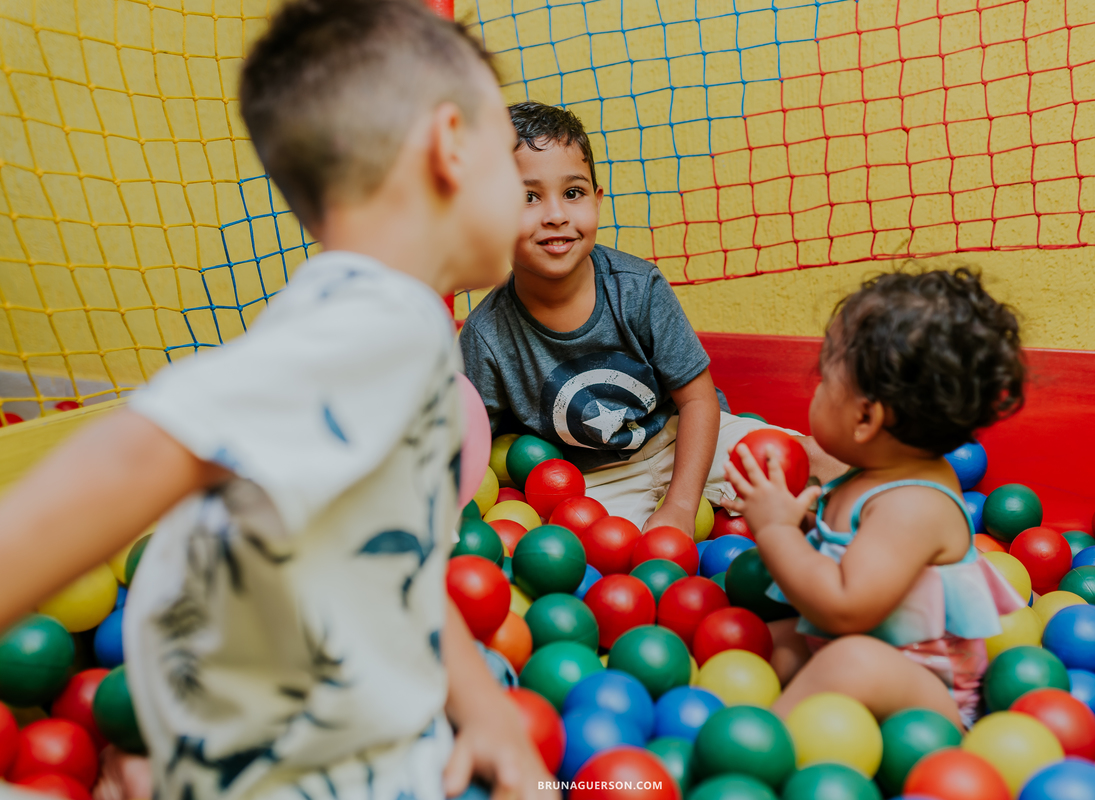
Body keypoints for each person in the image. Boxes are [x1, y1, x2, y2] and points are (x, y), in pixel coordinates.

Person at [0, 2, 553, 798]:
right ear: (450, 147)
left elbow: (396, 565)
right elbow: (149, 444)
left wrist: (486, 712)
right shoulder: (382, 327)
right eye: (510, 160)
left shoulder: (371, 325)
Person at [459, 101, 841, 533]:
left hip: (682, 438)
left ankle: (889, 536)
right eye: (527, 197)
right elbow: (469, 443)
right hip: (594, 479)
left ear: (597, 201)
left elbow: (698, 400)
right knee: (589, 554)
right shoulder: (487, 335)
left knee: (815, 459)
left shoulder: (637, 287)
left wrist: (680, 505)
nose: (556, 215)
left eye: (573, 193)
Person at [723, 268, 1027, 730]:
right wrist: (799, 520)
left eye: (824, 379)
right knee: (755, 639)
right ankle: (706, 720)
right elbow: (846, 551)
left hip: (927, 694)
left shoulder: (913, 506)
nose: (817, 389)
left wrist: (775, 530)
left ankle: (756, 751)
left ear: (865, 418)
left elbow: (845, 607)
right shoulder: (871, 471)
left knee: (849, 662)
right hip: (850, 646)